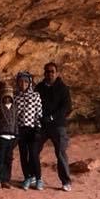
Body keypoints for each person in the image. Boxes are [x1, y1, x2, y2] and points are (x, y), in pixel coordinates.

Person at [36, 61, 72, 191]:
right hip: (43, 125)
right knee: (34, 149)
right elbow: (35, 105)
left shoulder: (63, 88)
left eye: (52, 71)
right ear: (44, 73)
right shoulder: (39, 87)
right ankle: (34, 177)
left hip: (58, 125)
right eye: (47, 71)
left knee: (61, 152)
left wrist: (53, 117)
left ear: (57, 73)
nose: (50, 74)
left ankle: (66, 182)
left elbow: (67, 107)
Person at [13, 71, 44, 190]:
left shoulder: (35, 96)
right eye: (20, 81)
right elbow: (14, 115)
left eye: (25, 81)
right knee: (23, 154)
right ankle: (27, 177)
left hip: (33, 129)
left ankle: (38, 178)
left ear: (29, 83)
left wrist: (38, 129)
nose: (23, 84)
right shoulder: (15, 97)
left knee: (34, 154)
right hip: (20, 129)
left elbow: (39, 113)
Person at [0, 90, 19, 191]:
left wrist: (16, 135)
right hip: (1, 136)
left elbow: (16, 123)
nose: (7, 99)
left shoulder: (14, 108)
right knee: (0, 159)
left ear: (11, 97)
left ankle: (6, 180)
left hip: (12, 137)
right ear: (2, 97)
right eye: (5, 97)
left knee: (8, 159)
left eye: (9, 97)